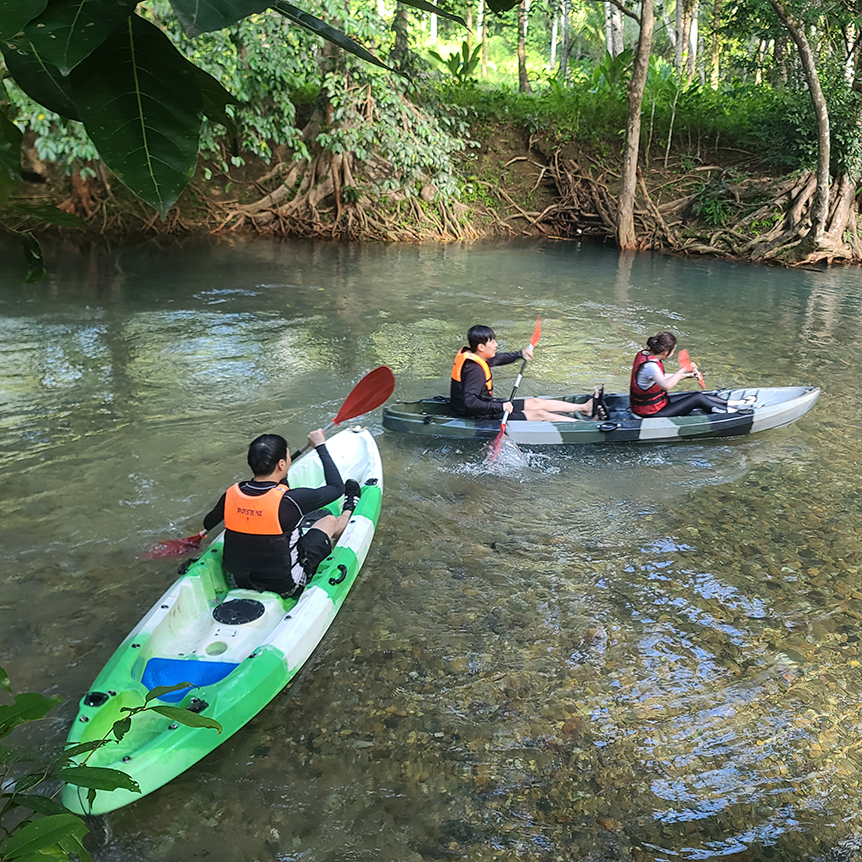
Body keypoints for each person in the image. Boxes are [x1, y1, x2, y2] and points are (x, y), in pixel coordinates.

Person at [203, 429, 360, 599]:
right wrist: (320, 446)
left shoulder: (231, 494)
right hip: (286, 586)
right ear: (281, 465)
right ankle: (349, 509)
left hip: (239, 581)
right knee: (329, 520)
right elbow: (337, 488)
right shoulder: (292, 500)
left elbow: (208, 522)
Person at [450, 324, 597, 421]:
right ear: (481, 347)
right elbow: (470, 403)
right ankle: (584, 425)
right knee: (540, 414)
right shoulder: (474, 370)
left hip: (487, 406)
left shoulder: (478, 356)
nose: (496, 344)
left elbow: (499, 358)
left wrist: (520, 354)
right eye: (493, 342)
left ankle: (584, 408)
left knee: (536, 402)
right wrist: (501, 407)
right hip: (477, 415)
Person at [630, 331, 755, 417]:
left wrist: (688, 376)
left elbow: (659, 377)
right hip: (650, 413)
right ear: (665, 352)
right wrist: (683, 369)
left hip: (657, 404)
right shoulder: (650, 366)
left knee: (698, 394)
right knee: (697, 399)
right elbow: (666, 385)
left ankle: (736, 403)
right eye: (673, 351)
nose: (673, 354)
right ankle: (731, 413)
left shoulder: (645, 354)